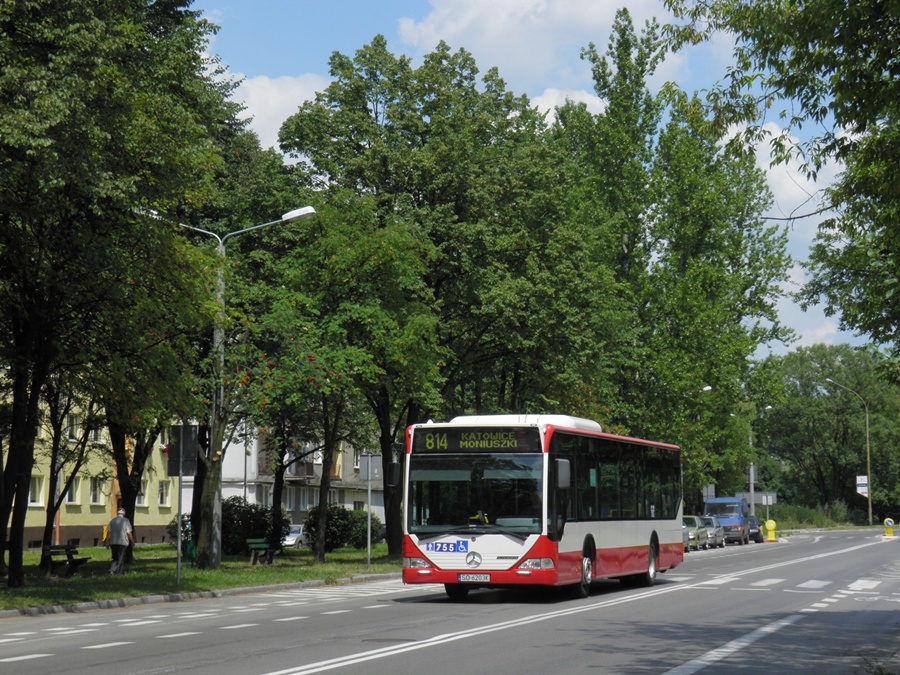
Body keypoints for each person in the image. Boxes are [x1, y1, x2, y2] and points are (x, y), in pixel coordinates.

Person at [105, 508, 135, 575]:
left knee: (115, 558)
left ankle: (112, 570)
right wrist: (132, 542)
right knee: (121, 559)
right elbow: (129, 533)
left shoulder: (112, 521)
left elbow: (109, 532)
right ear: (124, 513)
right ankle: (119, 573)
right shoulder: (126, 521)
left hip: (113, 542)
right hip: (122, 542)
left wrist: (107, 542)